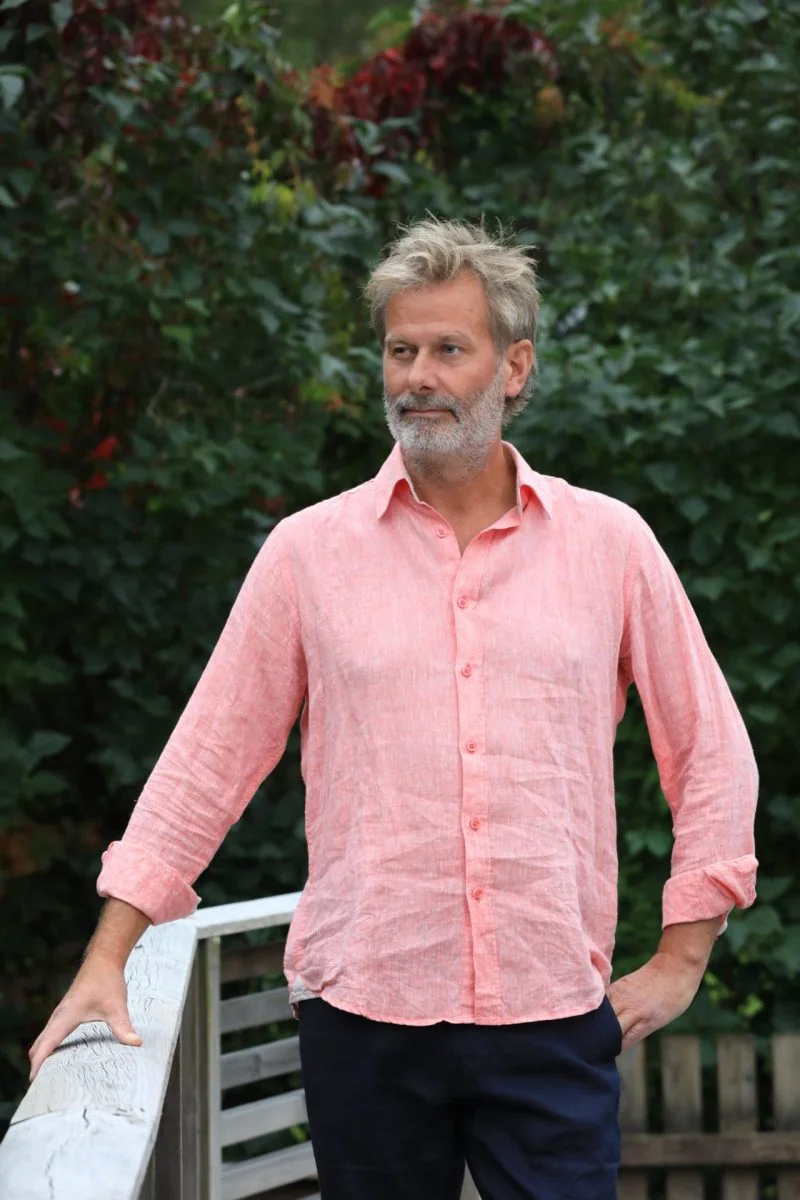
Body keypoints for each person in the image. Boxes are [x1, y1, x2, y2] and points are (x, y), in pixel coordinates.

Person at [29, 217, 758, 1199]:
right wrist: (108, 955)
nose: (417, 376)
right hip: (363, 1017)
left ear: (513, 367)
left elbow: (710, 750)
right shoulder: (307, 554)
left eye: (448, 349)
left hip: (550, 1011)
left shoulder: (610, 545)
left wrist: (682, 954)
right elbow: (206, 761)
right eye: (399, 350)